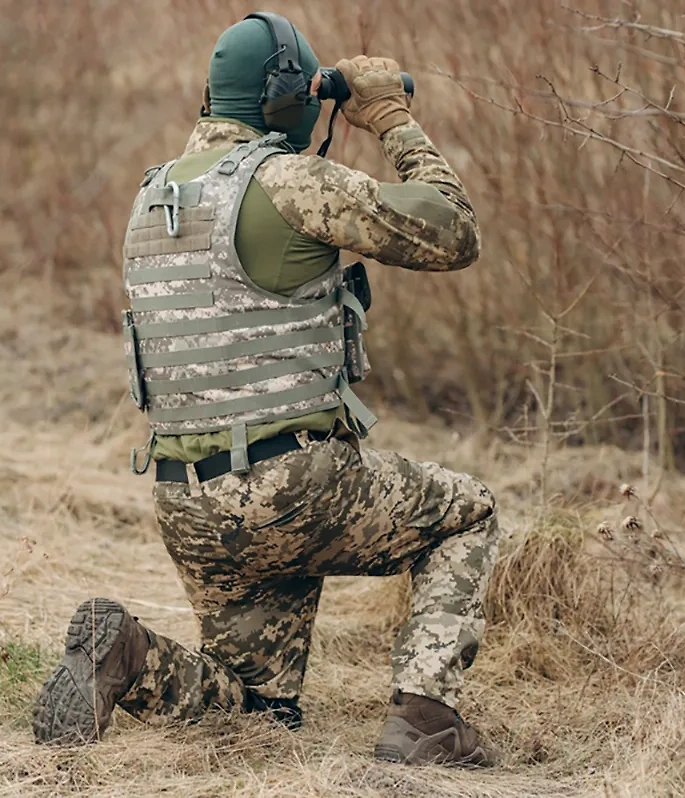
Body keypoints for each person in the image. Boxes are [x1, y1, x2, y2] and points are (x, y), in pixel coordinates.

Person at [31, 11, 500, 767]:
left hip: (188, 500)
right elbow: (453, 232)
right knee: (466, 514)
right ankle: (425, 719)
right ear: (286, 97)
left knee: (255, 712)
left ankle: (128, 654)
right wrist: (391, 119)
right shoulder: (289, 182)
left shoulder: (152, 199)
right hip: (296, 488)